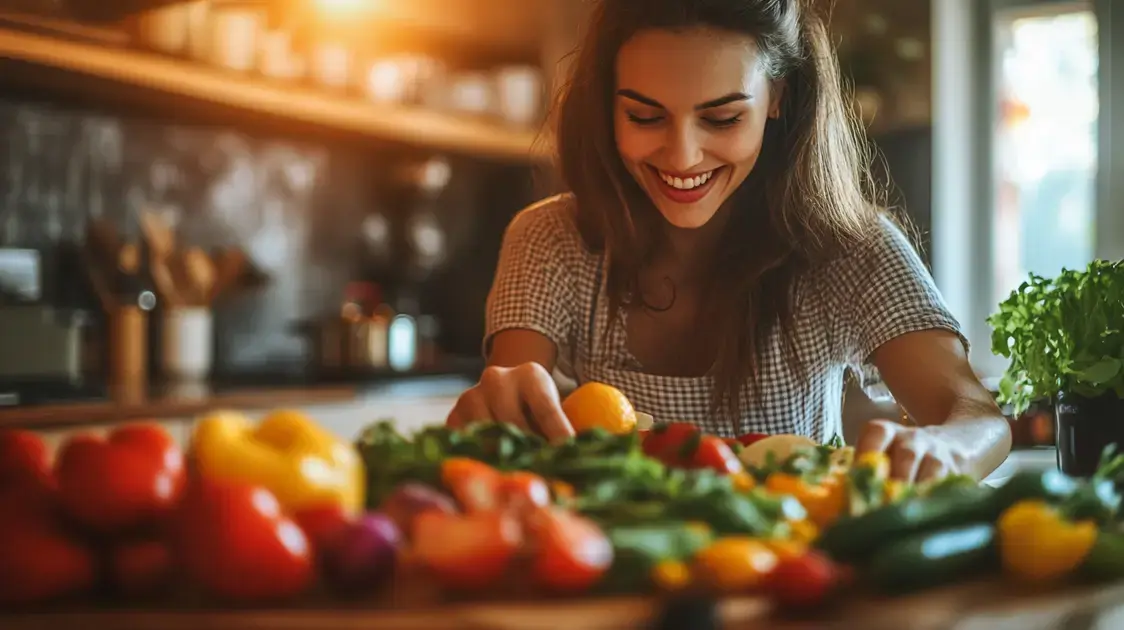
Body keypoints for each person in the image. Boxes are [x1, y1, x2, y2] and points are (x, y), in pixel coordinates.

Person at [446, 0, 1011, 483]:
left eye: (721, 119)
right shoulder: (547, 239)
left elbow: (975, 414)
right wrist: (493, 419)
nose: (682, 156)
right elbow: (511, 416)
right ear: (607, 106)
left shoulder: (850, 248)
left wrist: (947, 449)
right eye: (644, 116)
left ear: (778, 97)